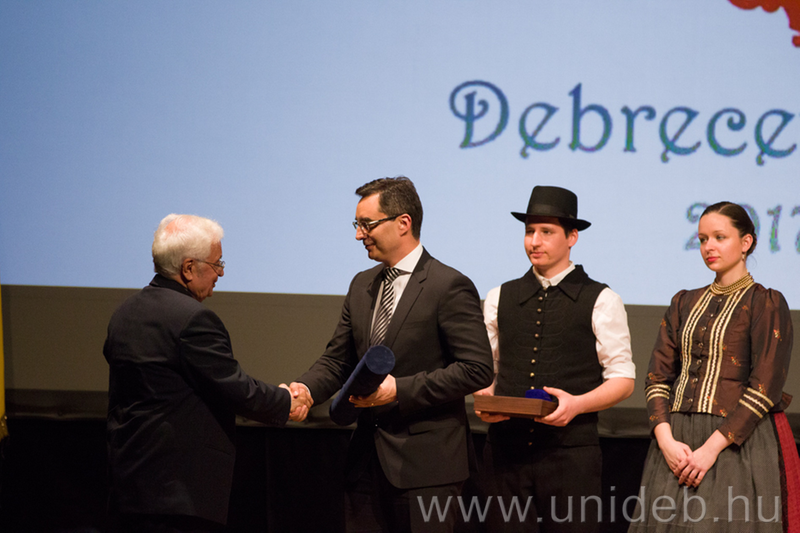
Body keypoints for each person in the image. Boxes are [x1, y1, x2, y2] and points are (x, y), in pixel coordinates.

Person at [289, 176, 494, 532]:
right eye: (357, 225)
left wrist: (398, 389)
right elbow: (338, 360)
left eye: (367, 224)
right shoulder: (362, 284)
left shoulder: (448, 285)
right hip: (365, 468)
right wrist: (305, 390)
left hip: (427, 470)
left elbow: (476, 369)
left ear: (403, 223)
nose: (359, 235)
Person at [104, 214, 302, 533]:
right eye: (216, 263)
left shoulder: (124, 313)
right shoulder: (193, 319)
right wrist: (286, 401)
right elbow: (235, 388)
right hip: (178, 491)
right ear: (188, 268)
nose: (220, 273)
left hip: (129, 486)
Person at [628, 202, 798, 532]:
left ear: (746, 242)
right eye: (703, 239)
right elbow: (657, 377)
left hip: (734, 443)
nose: (709, 247)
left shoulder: (764, 302)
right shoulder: (683, 301)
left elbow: (765, 386)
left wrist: (710, 449)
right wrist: (665, 440)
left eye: (720, 237)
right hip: (676, 441)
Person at [475, 185, 636, 532]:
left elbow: (623, 380)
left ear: (572, 237)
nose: (534, 241)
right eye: (529, 231)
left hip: (571, 457)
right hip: (505, 454)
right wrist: (485, 395)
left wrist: (577, 405)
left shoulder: (601, 299)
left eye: (546, 232)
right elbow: (488, 370)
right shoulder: (499, 296)